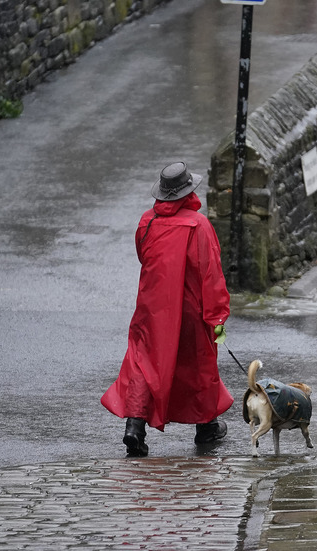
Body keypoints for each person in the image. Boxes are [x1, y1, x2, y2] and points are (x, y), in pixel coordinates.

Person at [100, 161, 234, 456]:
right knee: (200, 364)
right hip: (189, 310)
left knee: (143, 364)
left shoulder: (146, 222)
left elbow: (144, 257)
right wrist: (218, 318)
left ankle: (134, 427)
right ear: (188, 192)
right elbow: (210, 275)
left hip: (151, 309)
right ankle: (206, 427)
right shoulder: (198, 226)